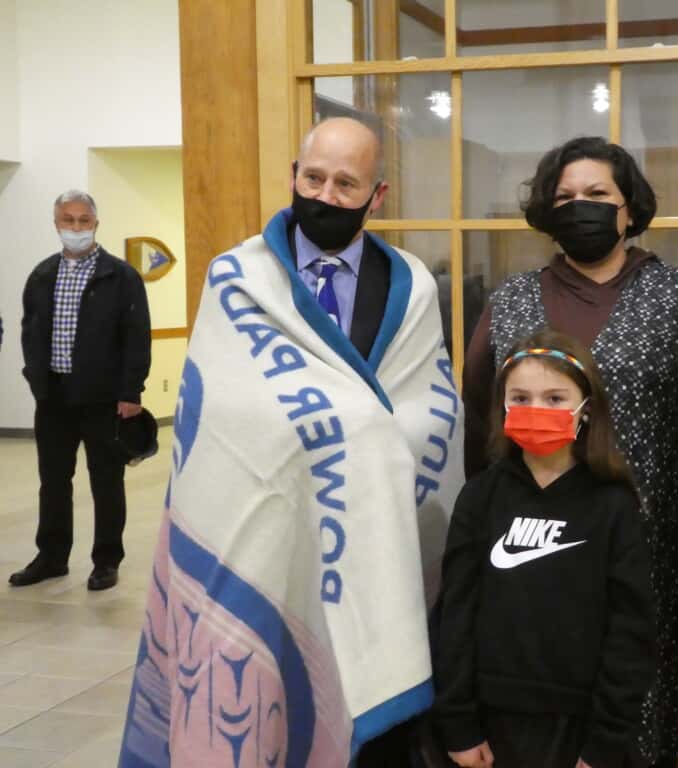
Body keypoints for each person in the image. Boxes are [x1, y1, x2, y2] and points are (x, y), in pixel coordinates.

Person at [118, 116, 465, 768]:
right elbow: (219, 413)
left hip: (377, 539)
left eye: (346, 182)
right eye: (313, 177)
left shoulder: (412, 284)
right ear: (293, 176)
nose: (326, 195)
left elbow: (431, 409)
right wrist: (337, 430)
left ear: (377, 195)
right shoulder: (236, 278)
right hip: (267, 540)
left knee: (376, 738)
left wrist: (369, 443)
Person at [462, 136, 678, 766]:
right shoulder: (509, 302)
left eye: (596, 195)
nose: (579, 206)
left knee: (632, 726)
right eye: (564, 197)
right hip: (533, 550)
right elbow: (480, 414)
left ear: (629, 206)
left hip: (649, 554)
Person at [434, 329, 655, 768]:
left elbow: (631, 633)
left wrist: (606, 743)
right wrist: (458, 723)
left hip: (583, 731)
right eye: (521, 397)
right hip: (491, 729)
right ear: (502, 407)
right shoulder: (480, 498)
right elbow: (455, 616)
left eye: (555, 398)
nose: (536, 410)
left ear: (585, 409)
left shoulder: (613, 505)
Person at [14, 189, 151, 592]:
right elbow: (29, 331)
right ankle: (52, 556)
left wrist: (131, 392)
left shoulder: (120, 276)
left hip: (104, 399)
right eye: (67, 220)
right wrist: (36, 380)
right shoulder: (41, 275)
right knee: (53, 480)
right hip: (54, 398)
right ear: (56, 224)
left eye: (83, 220)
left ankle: (106, 560)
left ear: (95, 223)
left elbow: (136, 336)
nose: (75, 228)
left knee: (106, 481)